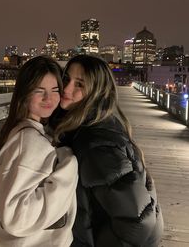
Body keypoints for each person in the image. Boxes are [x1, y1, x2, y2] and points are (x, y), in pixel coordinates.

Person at [51, 54, 164, 247]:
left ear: (97, 92)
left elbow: (138, 223)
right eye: (66, 79)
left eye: (80, 84)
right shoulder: (96, 124)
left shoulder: (97, 145)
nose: (67, 88)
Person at [0, 56, 78, 247]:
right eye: (40, 91)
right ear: (24, 94)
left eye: (55, 90)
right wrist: (69, 168)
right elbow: (17, 219)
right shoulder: (30, 140)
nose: (49, 98)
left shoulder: (21, 131)